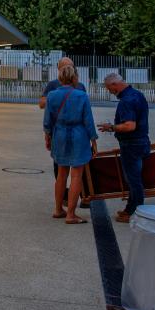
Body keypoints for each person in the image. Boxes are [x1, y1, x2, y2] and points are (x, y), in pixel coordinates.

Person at [43, 64, 98, 224]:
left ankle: (58, 209)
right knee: (76, 176)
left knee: (61, 174)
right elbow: (88, 121)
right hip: (78, 136)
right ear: (74, 78)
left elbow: (47, 121)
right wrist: (93, 140)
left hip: (59, 135)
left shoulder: (52, 95)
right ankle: (71, 214)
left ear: (60, 78)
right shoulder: (81, 96)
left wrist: (48, 137)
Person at [99, 73, 150, 223]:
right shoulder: (138, 95)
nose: (110, 91)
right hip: (141, 142)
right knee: (134, 178)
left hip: (131, 145)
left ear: (115, 84)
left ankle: (135, 212)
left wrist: (111, 127)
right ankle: (130, 208)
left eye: (109, 88)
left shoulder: (126, 101)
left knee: (133, 180)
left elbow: (129, 125)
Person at [40, 57, 88, 206]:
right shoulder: (53, 86)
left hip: (61, 132)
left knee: (72, 170)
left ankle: (80, 197)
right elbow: (42, 103)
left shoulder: (80, 87)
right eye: (65, 67)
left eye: (70, 66)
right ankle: (66, 201)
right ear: (59, 69)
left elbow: (47, 118)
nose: (69, 69)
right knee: (65, 170)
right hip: (67, 132)